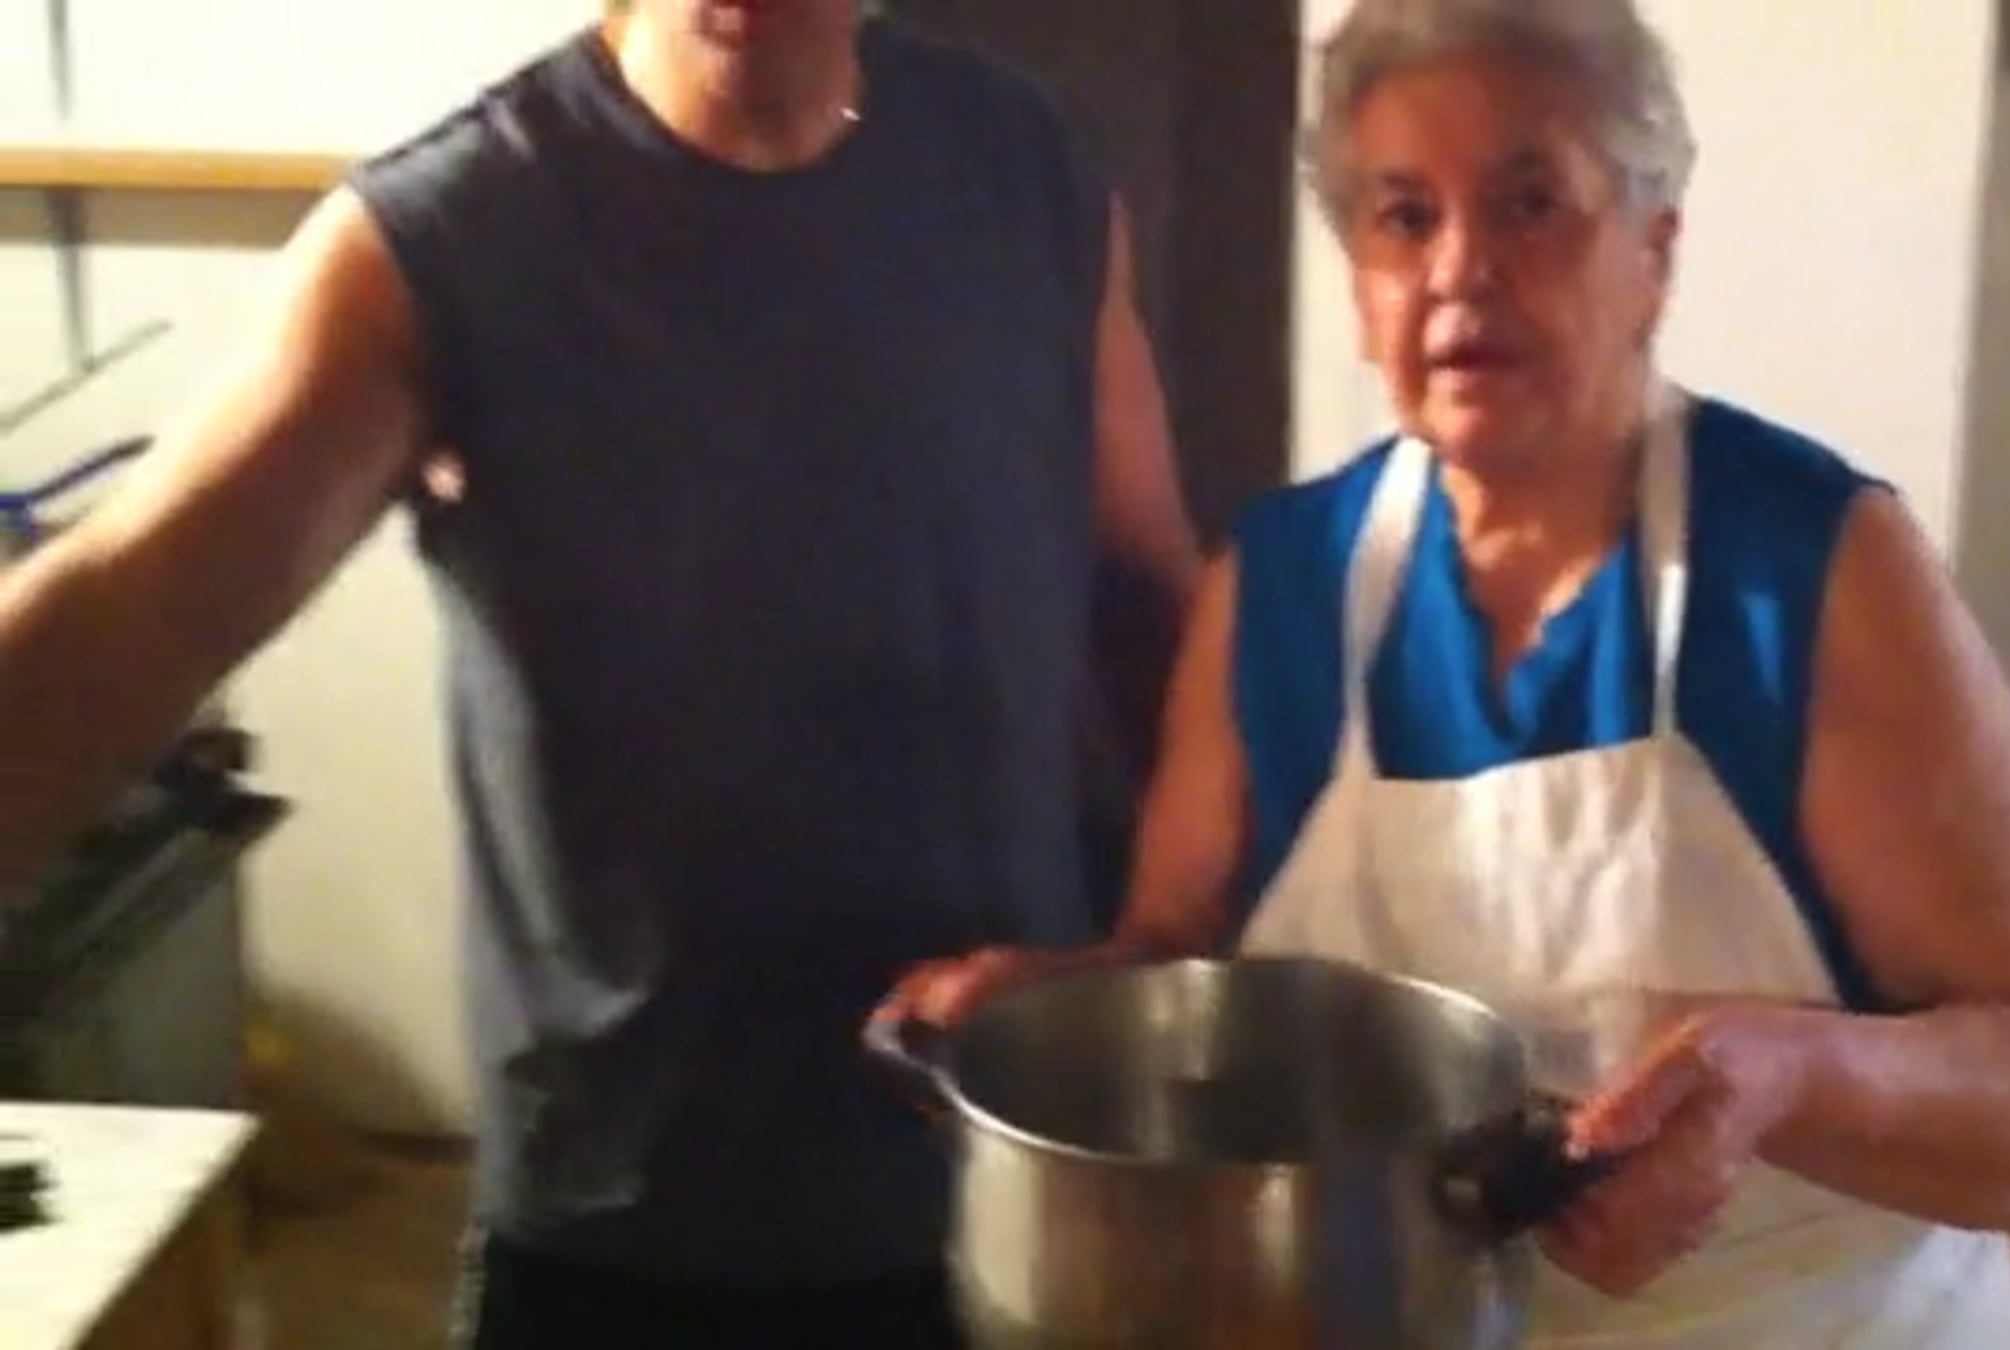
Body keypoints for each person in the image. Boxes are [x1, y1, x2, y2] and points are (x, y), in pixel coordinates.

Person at [878, 0, 2010, 1344]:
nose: (1461, 270)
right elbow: (1184, 972)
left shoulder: (1810, 572)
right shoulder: (1282, 589)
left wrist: (1789, 1073)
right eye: (1404, 217)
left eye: (1531, 205)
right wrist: (1059, 1009)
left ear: (1653, 253)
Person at [0, 1, 1200, 1345]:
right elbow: (127, 607)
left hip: (1006, 1202)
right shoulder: (447, 243)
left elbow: (1149, 615)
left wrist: (1161, 963)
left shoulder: (1027, 173)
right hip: (623, 1245)